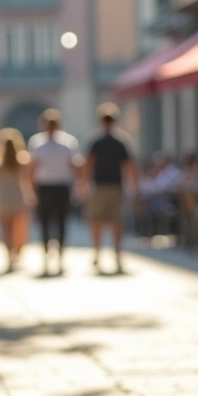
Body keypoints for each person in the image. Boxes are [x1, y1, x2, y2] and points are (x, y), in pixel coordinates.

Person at [83, 103, 138, 274]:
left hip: (99, 186)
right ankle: (117, 253)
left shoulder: (96, 141)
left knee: (96, 221)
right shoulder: (121, 141)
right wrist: (134, 186)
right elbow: (130, 166)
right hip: (116, 186)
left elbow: (88, 164)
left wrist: (83, 183)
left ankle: (97, 252)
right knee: (116, 221)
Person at [26, 108, 81, 276]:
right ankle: (45, 257)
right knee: (44, 223)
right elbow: (32, 169)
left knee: (62, 222)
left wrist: (79, 184)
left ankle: (60, 258)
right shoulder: (37, 142)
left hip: (62, 186)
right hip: (44, 187)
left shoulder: (68, 142)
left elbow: (74, 165)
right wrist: (31, 190)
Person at [0, 128, 34, 273]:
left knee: (6, 229)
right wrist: (31, 195)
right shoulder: (23, 159)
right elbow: (28, 181)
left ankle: (9, 256)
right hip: (18, 196)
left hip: (4, 197)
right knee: (20, 228)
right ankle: (17, 252)